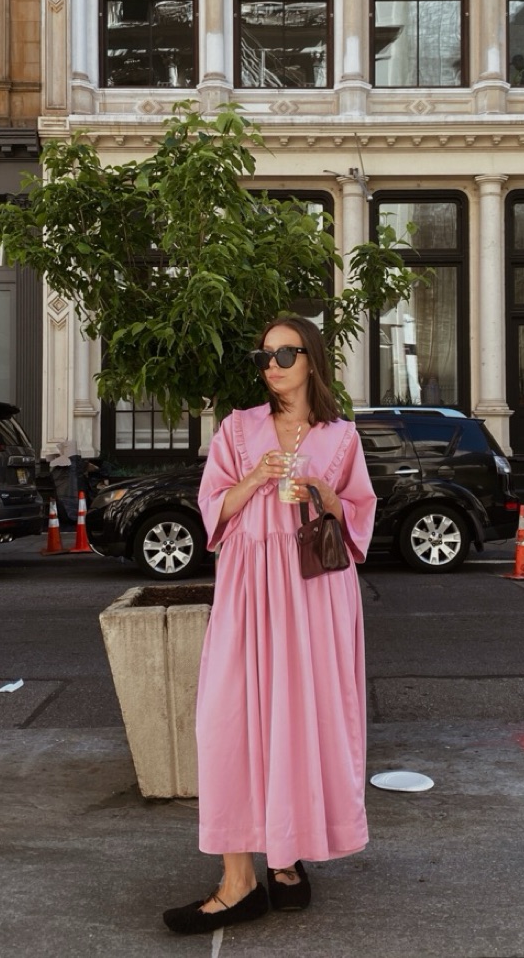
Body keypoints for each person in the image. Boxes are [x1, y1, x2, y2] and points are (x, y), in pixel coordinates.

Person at [163, 315, 377, 935]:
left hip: (315, 590)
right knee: (228, 719)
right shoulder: (237, 428)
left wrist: (322, 493)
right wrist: (256, 477)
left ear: (311, 359)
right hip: (248, 586)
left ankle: (285, 859)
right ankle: (239, 881)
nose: (273, 365)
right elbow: (212, 508)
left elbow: (359, 514)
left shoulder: (341, 436)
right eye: (264, 356)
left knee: (299, 721)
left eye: (285, 353)